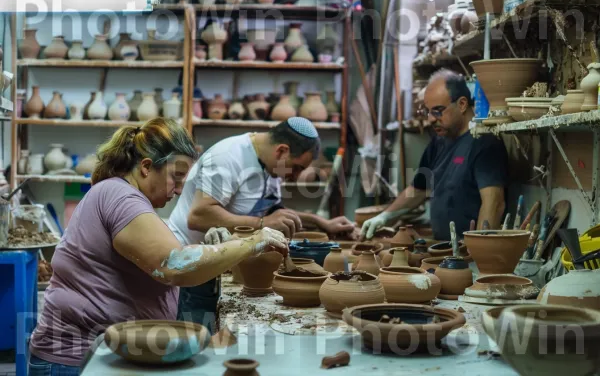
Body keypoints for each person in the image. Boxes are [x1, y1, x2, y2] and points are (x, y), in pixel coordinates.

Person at [28, 118, 288, 375]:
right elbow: (174, 266)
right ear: (146, 167)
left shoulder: (125, 197)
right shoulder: (120, 197)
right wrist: (254, 241)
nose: (177, 191)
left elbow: (159, 254)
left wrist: (223, 245)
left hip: (108, 351)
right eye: (176, 177)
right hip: (75, 358)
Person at [167, 117, 355, 330]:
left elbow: (273, 211)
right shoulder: (227, 157)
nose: (296, 175)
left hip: (219, 261)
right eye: (297, 167)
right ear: (282, 151)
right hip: (189, 265)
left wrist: (321, 223)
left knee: (216, 334)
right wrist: (262, 223)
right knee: (198, 337)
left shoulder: (271, 166)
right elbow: (199, 216)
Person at [361, 69, 508, 241]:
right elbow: (418, 190)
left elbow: (494, 204)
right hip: (442, 252)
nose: (431, 119)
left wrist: (479, 250)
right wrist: (385, 216)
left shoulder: (484, 143)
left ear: (462, 104)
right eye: (428, 111)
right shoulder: (439, 141)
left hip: (468, 256)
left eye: (438, 111)